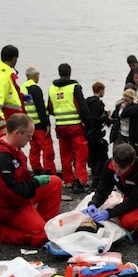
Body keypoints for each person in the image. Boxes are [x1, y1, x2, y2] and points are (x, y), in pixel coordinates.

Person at [0, 114, 62, 246]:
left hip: (21, 198)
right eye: (28, 136)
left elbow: (19, 181)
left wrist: (33, 181)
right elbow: (11, 193)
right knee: (41, 237)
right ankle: (1, 232)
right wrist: (35, 183)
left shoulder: (13, 149)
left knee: (55, 182)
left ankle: (44, 223)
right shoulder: (1, 157)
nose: (30, 140)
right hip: (8, 207)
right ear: (17, 133)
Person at [48, 63, 91, 193]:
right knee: (80, 154)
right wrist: (88, 123)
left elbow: (50, 109)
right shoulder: (74, 87)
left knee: (65, 154)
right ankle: (80, 181)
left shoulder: (52, 88)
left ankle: (68, 181)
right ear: (70, 73)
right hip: (75, 126)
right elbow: (82, 108)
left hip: (60, 126)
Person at [19, 66, 56, 175]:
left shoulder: (22, 88)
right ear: (35, 76)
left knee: (34, 148)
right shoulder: (35, 88)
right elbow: (40, 108)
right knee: (47, 150)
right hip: (39, 125)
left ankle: (36, 168)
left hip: (29, 125)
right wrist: (47, 124)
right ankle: (49, 170)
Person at [85, 82, 110, 192]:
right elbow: (94, 118)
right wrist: (107, 119)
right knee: (102, 158)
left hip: (89, 134)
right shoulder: (97, 103)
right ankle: (97, 182)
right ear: (100, 90)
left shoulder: (88, 101)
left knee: (93, 158)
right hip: (96, 134)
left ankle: (95, 180)